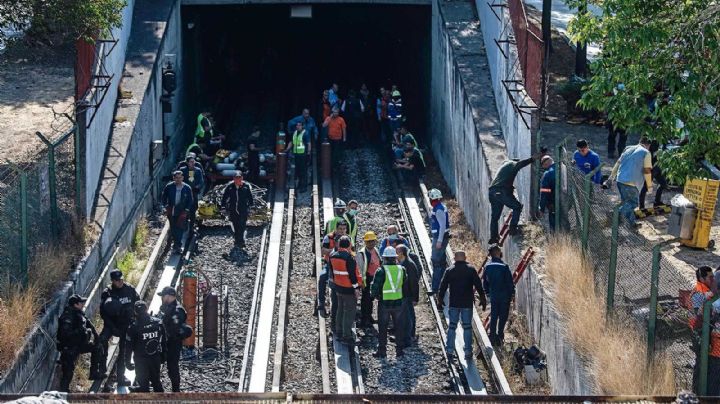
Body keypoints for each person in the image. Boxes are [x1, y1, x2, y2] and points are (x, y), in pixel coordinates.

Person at [439, 251, 487, 360]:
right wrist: (483, 299)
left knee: (452, 326)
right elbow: (478, 285)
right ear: (465, 258)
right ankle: (468, 352)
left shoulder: (450, 270)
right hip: (467, 303)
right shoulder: (471, 269)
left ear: (454, 259)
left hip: (454, 303)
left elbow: (443, 286)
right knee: (467, 327)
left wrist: (440, 299)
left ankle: (449, 350)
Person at [488, 152, 544, 244]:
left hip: (492, 192)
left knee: (495, 217)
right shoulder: (512, 164)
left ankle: (493, 237)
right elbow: (520, 165)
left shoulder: (502, 168)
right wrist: (532, 159)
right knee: (517, 206)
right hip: (502, 191)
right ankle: (513, 228)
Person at [99, 269, 140, 387]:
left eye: (121, 279)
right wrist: (112, 327)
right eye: (117, 280)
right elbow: (103, 313)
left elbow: (138, 303)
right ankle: (101, 369)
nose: (120, 282)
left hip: (126, 323)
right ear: (112, 281)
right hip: (112, 323)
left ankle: (121, 377)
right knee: (101, 342)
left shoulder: (130, 289)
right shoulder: (108, 293)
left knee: (124, 350)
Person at [604, 137, 653, 226]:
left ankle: (630, 224)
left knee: (626, 203)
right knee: (632, 204)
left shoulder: (628, 148)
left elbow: (617, 163)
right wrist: (649, 186)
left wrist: (611, 177)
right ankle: (614, 215)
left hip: (620, 180)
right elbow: (647, 171)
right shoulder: (646, 153)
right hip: (631, 183)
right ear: (648, 145)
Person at [371, 246, 408, 358]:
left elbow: (375, 287)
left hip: (384, 303)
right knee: (399, 326)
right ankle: (399, 350)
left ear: (385, 258)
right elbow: (404, 283)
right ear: (395, 258)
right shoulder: (402, 269)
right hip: (398, 303)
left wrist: (373, 296)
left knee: (382, 327)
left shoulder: (381, 271)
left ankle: (382, 351)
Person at [56, 294, 99, 392]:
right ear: (75, 304)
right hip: (69, 348)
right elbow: (65, 335)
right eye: (81, 303)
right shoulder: (68, 317)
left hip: (80, 345)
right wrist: (80, 331)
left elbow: (87, 322)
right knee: (68, 373)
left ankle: (94, 373)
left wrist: (95, 334)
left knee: (97, 347)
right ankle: (64, 393)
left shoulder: (78, 313)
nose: (83, 304)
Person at [688, 266, 718, 394]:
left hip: (702, 333)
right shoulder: (699, 293)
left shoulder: (706, 290)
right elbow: (700, 311)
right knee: (701, 365)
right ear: (701, 278)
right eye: (710, 277)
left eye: (713, 277)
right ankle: (697, 392)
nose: (712, 279)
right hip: (698, 334)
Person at [125, 301, 166, 392]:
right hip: (155, 357)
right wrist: (163, 355)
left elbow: (128, 347)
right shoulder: (158, 323)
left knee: (143, 385)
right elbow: (164, 341)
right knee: (156, 382)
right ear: (146, 309)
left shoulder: (133, 327)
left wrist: (127, 362)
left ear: (135, 312)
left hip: (141, 360)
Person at [329, 236, 363, 345]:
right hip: (348, 289)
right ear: (349, 245)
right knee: (349, 312)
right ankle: (347, 336)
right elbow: (352, 275)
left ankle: (339, 331)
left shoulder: (332, 256)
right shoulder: (349, 258)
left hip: (338, 287)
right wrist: (356, 288)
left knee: (340, 309)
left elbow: (333, 272)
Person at [157, 286, 189, 392]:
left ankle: (176, 390)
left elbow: (173, 328)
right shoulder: (166, 307)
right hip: (164, 341)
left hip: (173, 343)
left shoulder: (177, 310)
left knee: (172, 367)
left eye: (163, 296)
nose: (162, 298)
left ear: (170, 296)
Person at [482, 245, 514, 346]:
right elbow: (509, 283)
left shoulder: (487, 266)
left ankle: (492, 336)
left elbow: (485, 282)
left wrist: (487, 292)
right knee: (503, 316)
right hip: (505, 296)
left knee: (494, 315)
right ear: (498, 253)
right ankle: (500, 336)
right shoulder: (504, 266)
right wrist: (512, 294)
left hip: (494, 295)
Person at [318, 220, 349, 319]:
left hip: (344, 266)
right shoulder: (329, 237)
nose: (342, 231)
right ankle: (321, 301)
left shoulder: (348, 238)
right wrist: (335, 251)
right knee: (322, 277)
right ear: (336, 228)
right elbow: (323, 250)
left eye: (344, 229)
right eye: (340, 229)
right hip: (330, 264)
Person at [161, 171, 193, 254]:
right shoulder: (169, 186)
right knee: (173, 228)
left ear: (182, 178)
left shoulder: (187, 188)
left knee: (180, 228)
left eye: (180, 177)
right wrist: (165, 206)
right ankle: (176, 244)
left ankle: (177, 246)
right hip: (172, 210)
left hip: (182, 211)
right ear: (174, 178)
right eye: (176, 178)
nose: (178, 179)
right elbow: (164, 197)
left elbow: (190, 200)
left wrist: (187, 209)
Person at [222, 171, 253, 247]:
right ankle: (237, 240)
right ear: (234, 179)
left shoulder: (246, 186)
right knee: (236, 225)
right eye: (236, 178)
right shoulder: (230, 187)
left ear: (242, 178)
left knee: (242, 225)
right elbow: (224, 197)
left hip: (243, 209)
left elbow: (250, 197)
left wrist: (251, 206)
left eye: (239, 178)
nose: (238, 180)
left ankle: (241, 241)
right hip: (233, 209)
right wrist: (223, 207)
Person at [427, 188, 450, 295]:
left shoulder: (439, 209)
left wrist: (439, 241)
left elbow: (442, 226)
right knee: (441, 261)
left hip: (440, 238)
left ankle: (435, 288)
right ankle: (442, 284)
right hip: (440, 237)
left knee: (436, 262)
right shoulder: (439, 207)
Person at [357, 231, 381, 327]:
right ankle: (364, 318)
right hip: (367, 279)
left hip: (375, 277)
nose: (371, 243)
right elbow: (359, 268)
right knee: (365, 299)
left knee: (371, 299)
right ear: (365, 242)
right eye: (369, 241)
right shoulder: (362, 253)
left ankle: (369, 316)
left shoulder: (375, 250)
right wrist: (361, 282)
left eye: (372, 241)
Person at [397, 245, 420, 347]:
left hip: (407, 295)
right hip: (402, 294)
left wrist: (415, 298)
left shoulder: (409, 265)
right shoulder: (401, 263)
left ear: (402, 253)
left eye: (396, 251)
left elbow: (414, 283)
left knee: (409, 316)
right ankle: (405, 335)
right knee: (405, 316)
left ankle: (410, 336)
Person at [638, 140, 669, 209]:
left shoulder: (664, 139)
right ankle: (641, 206)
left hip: (659, 166)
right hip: (650, 166)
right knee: (645, 187)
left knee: (663, 184)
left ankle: (657, 202)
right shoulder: (653, 140)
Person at [179, 154, 205, 228]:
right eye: (191, 162)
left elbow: (201, 181)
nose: (193, 163)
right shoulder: (182, 170)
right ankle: (185, 222)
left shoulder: (198, 170)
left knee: (193, 207)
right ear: (187, 163)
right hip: (184, 192)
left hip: (194, 192)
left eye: (193, 161)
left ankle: (192, 224)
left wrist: (198, 186)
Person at [285, 121, 311, 192]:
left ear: (302, 126)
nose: (298, 126)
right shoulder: (295, 133)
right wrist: (287, 149)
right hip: (296, 155)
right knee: (298, 170)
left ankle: (304, 187)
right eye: (297, 125)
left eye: (299, 125)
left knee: (303, 171)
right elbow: (291, 142)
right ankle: (299, 184)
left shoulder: (305, 133)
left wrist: (308, 153)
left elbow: (308, 143)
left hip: (303, 155)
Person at [538, 156, 557, 231]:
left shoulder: (547, 174)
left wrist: (541, 208)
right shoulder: (563, 168)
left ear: (545, 163)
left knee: (553, 223)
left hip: (553, 202)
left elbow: (544, 192)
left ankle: (556, 239)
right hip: (566, 201)